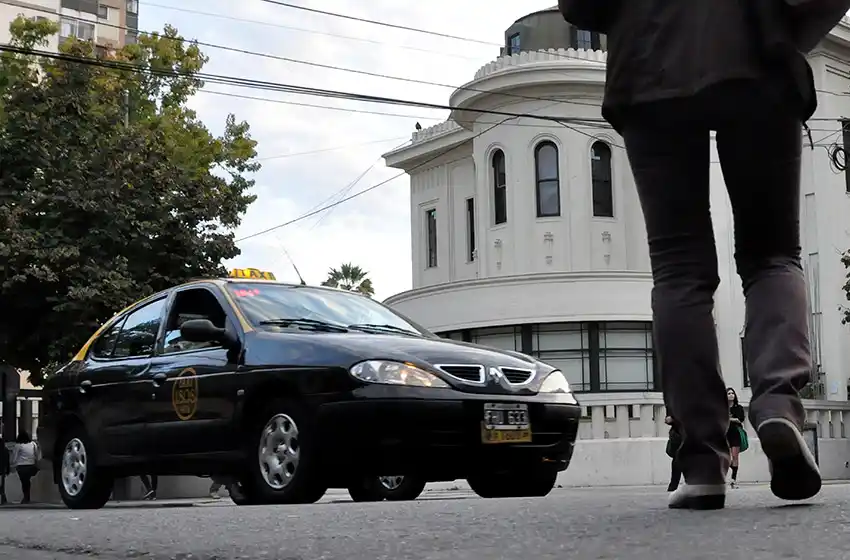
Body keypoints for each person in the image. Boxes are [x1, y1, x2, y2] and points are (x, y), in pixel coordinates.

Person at [558, 0, 837, 509]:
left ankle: (703, 462)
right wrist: (788, 29)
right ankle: (778, 405)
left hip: (647, 65)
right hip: (757, 52)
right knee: (772, 255)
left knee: (679, 270)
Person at [6, 430, 40, 504]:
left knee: (24, 482)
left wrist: (12, 464)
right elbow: (36, 455)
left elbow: (14, 457)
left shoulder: (18, 445)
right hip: (31, 465)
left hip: (21, 466)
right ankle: (27, 497)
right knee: (27, 481)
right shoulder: (33, 444)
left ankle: (26, 497)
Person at [726, 388, 746, 489]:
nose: (731, 395)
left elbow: (740, 419)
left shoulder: (739, 407)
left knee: (735, 457)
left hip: (735, 433)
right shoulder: (723, 408)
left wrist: (729, 419)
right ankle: (731, 468)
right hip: (725, 434)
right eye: (728, 393)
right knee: (726, 457)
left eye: (732, 393)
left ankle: (733, 479)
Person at [665, 414, 682, 492]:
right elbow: (668, 420)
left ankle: (673, 487)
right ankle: (672, 487)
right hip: (678, 444)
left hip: (684, 444)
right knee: (676, 466)